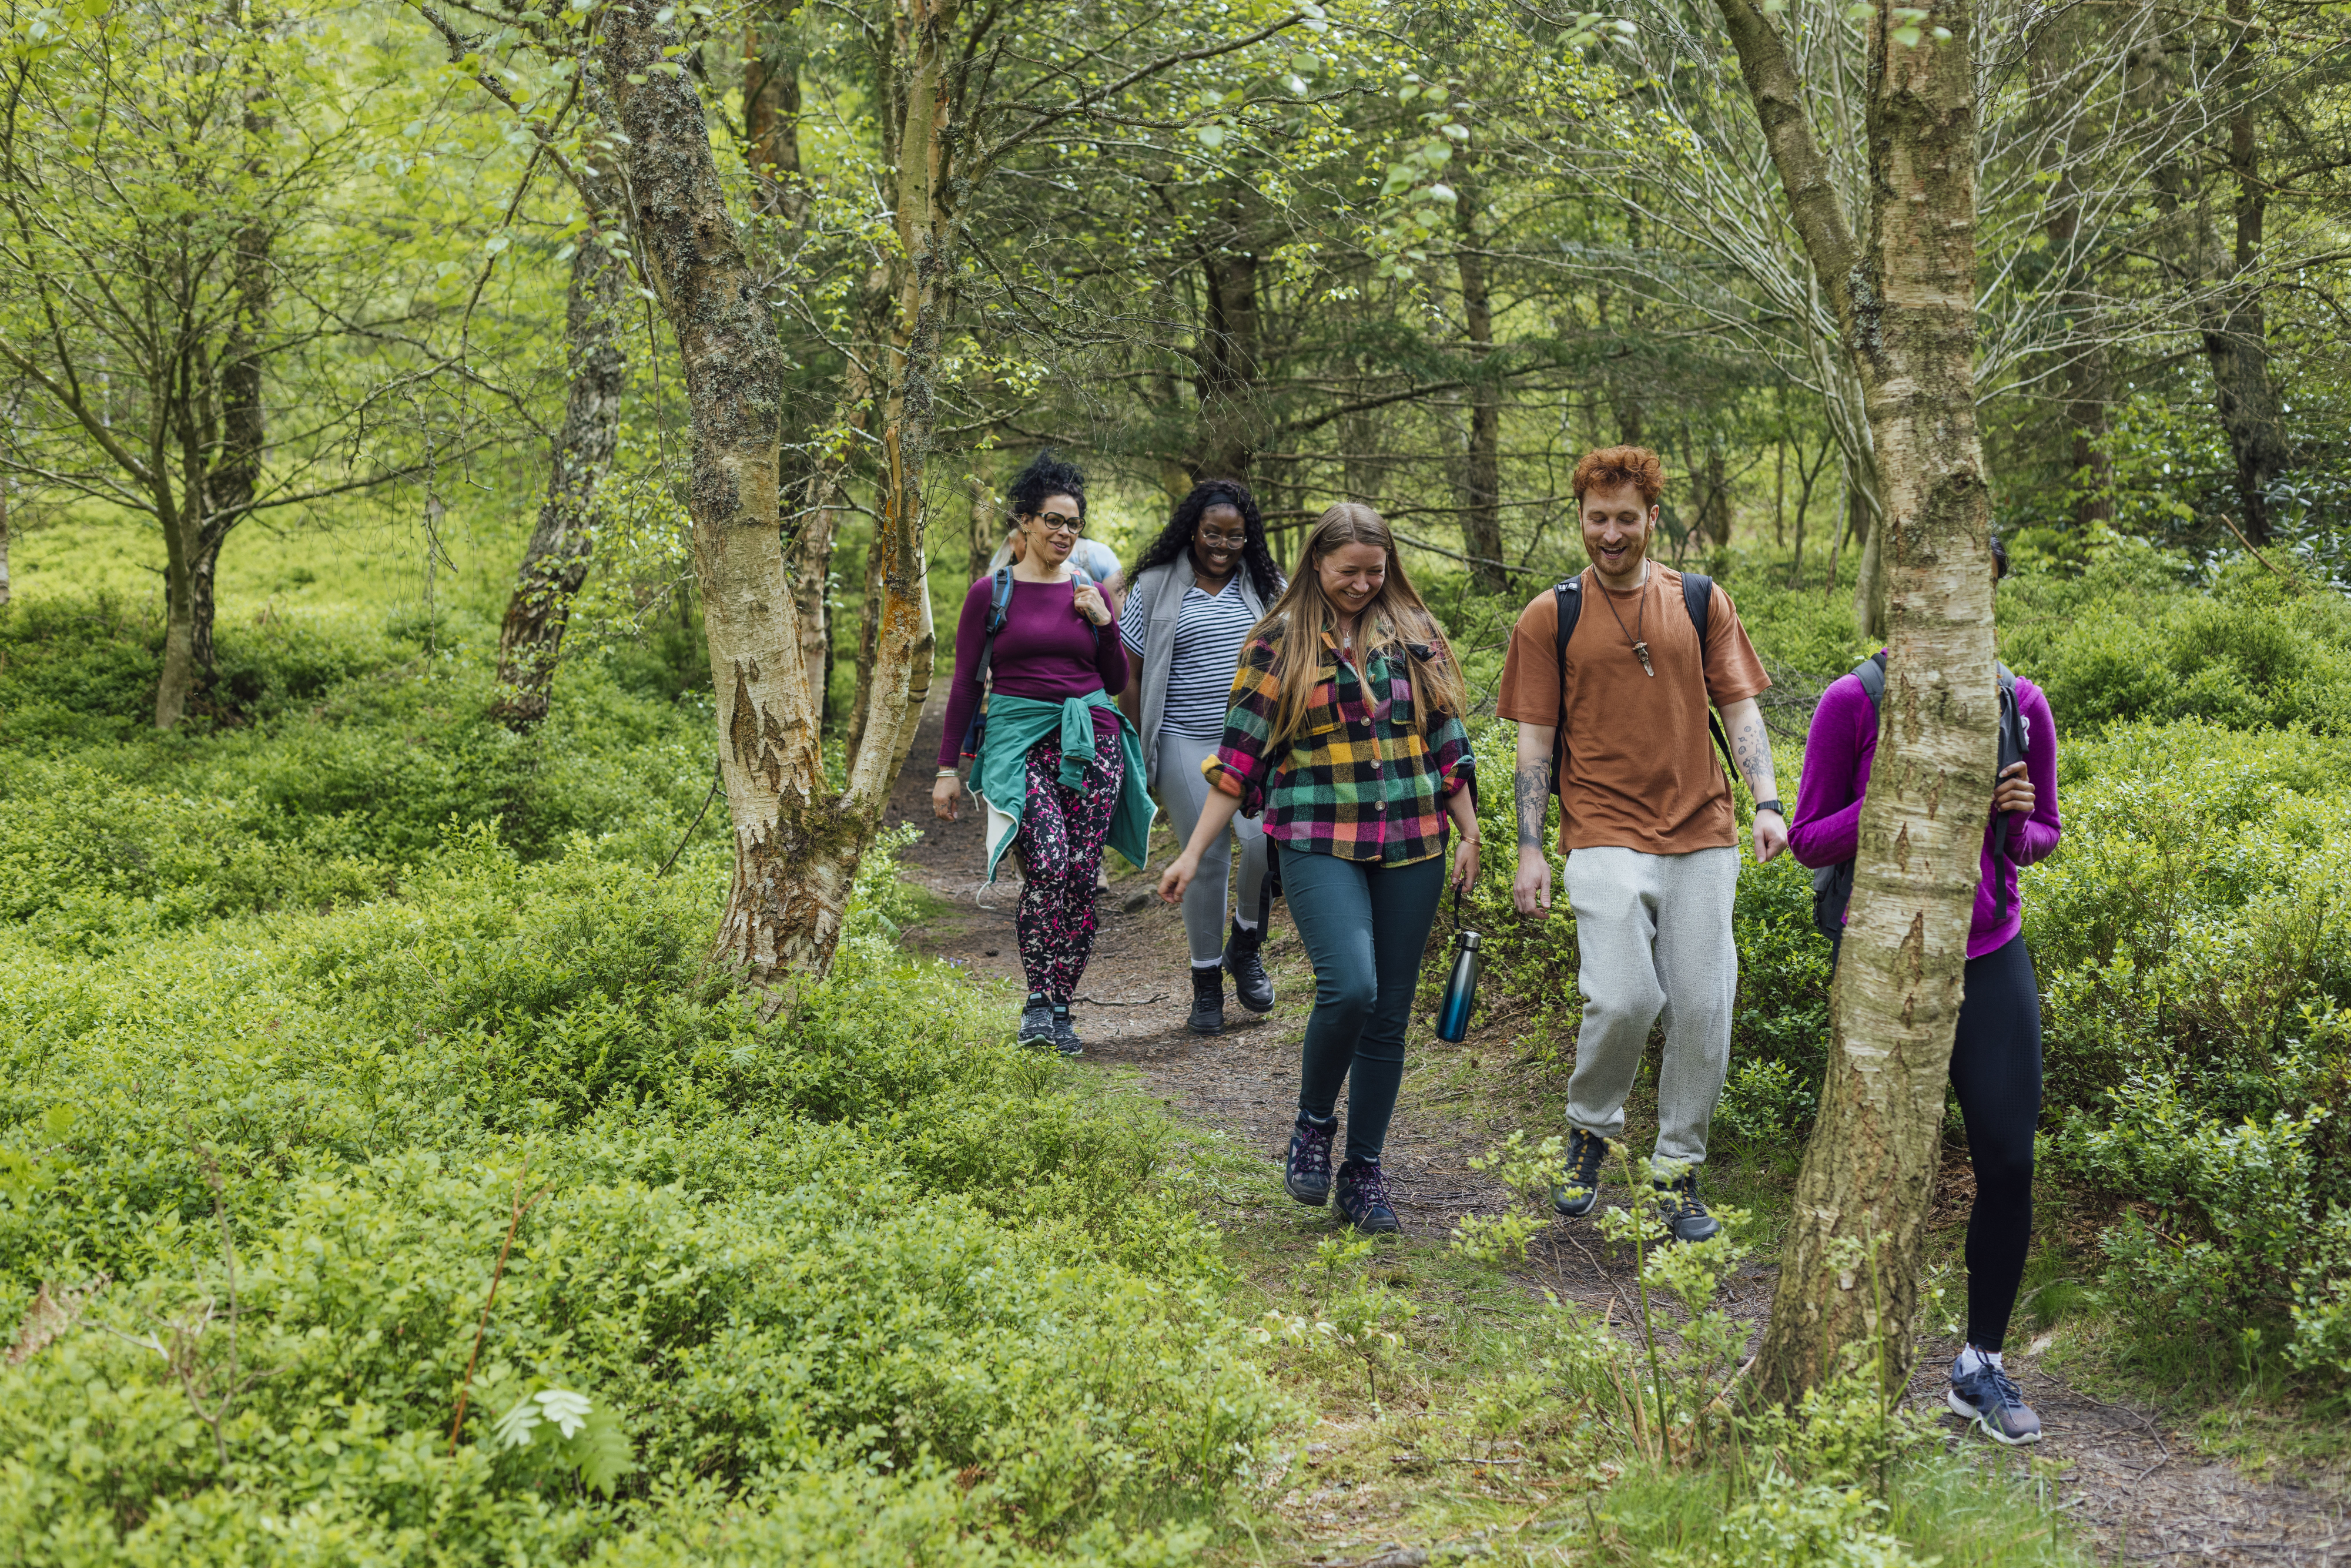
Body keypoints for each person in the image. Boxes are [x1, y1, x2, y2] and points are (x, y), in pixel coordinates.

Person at [1790, 535, 2061, 1447]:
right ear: (1906, 597)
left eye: (1978, 590)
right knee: (1874, 1171)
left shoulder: (2021, 705)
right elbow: (1808, 839)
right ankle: (1843, 1360)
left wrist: (2016, 823)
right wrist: (1904, 796)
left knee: (2009, 1163)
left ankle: (1980, 1364)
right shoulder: (1851, 701)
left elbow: (2044, 838)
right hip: (1885, 961)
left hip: (1990, 951)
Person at [1158, 504, 1480, 1234]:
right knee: (1351, 986)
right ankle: (1311, 1125)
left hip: (1413, 841)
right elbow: (1239, 757)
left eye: (1376, 571)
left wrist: (1469, 831)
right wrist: (1193, 851)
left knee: (1389, 1015)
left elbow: (1447, 736)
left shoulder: (1416, 635)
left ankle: (1363, 1173)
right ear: (1315, 565)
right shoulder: (1279, 639)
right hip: (1315, 835)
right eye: (1348, 572)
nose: (1364, 584)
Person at [1497, 445, 1781, 1245]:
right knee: (1625, 997)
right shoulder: (1552, 615)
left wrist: (1767, 802)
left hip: (1703, 833)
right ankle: (1590, 1127)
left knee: (1703, 1005)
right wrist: (1529, 849)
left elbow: (1741, 708)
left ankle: (1675, 1173)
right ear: (1579, 518)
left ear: (1654, 518)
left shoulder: (1699, 601)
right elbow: (1534, 746)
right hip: (1601, 831)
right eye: (1598, 519)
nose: (1611, 534)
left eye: (1627, 519)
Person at [934, 451, 1154, 1056]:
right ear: (1026, 523)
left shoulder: (1087, 590)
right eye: (1052, 521)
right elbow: (962, 684)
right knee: (1049, 865)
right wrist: (948, 768)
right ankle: (1036, 999)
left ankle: (1062, 1004)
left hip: (1093, 742)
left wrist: (1104, 621)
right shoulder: (992, 592)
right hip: (1017, 740)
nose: (1063, 533)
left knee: (1083, 876)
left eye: (1073, 524)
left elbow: (1113, 678)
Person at [1117, 479, 1287, 1035]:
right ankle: (1207, 984)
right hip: (1184, 741)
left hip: (1253, 745)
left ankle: (1246, 941)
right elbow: (1132, 673)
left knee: (1263, 844)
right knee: (1208, 857)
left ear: (1248, 538)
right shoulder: (1154, 586)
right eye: (1212, 532)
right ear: (1193, 528)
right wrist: (1140, 751)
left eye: (1234, 536)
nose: (1222, 544)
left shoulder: (1268, 587)